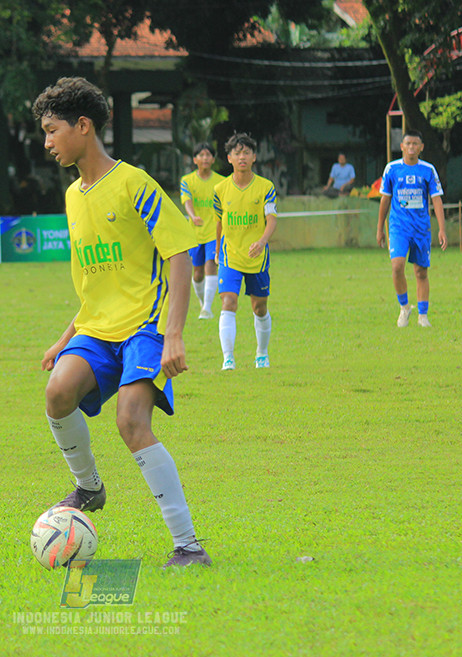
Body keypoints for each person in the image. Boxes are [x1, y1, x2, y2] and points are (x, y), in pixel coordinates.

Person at [32, 77, 211, 568]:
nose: (47, 143)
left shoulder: (133, 183)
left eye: (52, 131)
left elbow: (179, 252)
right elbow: (99, 283)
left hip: (145, 328)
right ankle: (89, 488)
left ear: (83, 126)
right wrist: (65, 338)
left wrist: (174, 334)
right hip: (96, 329)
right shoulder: (73, 196)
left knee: (131, 421)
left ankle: (188, 546)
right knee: (57, 392)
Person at [213, 132, 278, 371]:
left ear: (254, 157)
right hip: (230, 255)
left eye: (247, 153)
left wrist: (262, 242)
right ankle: (228, 358)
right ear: (229, 158)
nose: (242, 157)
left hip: (257, 258)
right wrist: (217, 250)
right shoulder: (220, 189)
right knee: (228, 301)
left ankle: (262, 353)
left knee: (259, 307)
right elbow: (219, 222)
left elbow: (271, 219)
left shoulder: (266, 187)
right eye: (237, 153)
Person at [377, 130, 448, 328]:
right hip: (398, 227)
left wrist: (442, 229)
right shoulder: (392, 169)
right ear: (401, 146)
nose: (411, 147)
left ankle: (423, 316)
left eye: (415, 144)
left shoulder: (428, 170)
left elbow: (436, 199)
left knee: (421, 272)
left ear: (421, 147)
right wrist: (380, 228)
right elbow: (385, 199)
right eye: (408, 143)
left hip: (421, 228)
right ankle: (404, 307)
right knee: (397, 266)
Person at [179, 143, 225, 321]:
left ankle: (206, 308)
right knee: (197, 273)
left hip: (214, 231)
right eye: (201, 155)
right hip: (195, 233)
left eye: (208, 155)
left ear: (213, 159)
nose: (205, 158)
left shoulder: (221, 182)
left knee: (211, 265)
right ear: (195, 159)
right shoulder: (187, 180)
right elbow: (187, 200)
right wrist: (193, 216)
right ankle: (202, 301)